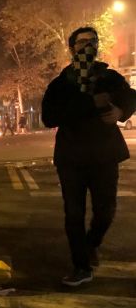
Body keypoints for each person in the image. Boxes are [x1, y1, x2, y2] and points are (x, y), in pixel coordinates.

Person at [42, 26, 136, 287]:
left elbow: (131, 97)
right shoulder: (61, 84)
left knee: (105, 211)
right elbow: (49, 117)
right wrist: (89, 103)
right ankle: (81, 266)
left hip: (105, 156)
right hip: (71, 158)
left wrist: (120, 111)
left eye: (93, 41)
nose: (88, 46)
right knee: (74, 214)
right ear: (72, 48)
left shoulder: (109, 77)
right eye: (82, 42)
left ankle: (91, 244)